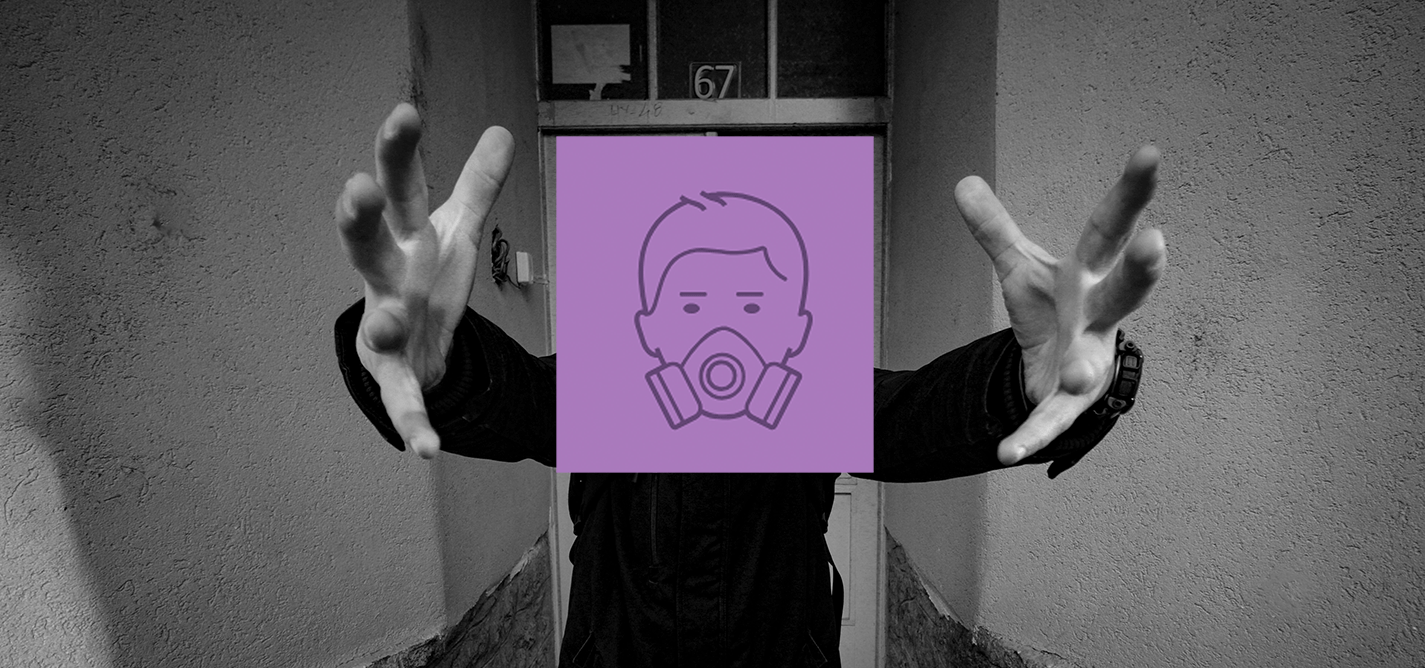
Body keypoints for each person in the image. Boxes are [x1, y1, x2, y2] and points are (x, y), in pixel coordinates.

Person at [331, 103, 1166, 667]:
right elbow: (501, 398)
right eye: (692, 302)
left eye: (752, 304)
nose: (720, 330)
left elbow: (924, 417)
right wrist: (428, 361)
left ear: (795, 324)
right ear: (647, 320)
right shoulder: (596, 391)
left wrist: (1028, 378)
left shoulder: (813, 397)